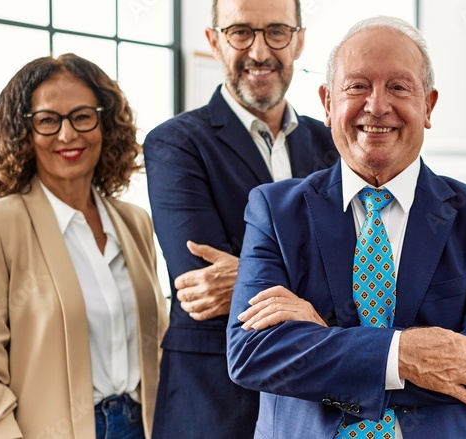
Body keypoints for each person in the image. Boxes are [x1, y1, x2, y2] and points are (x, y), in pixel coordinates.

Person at [226, 16, 466, 438]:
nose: (377, 106)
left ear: (429, 105)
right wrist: (402, 354)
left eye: (399, 87)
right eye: (357, 86)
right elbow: (251, 353)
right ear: (327, 103)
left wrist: (322, 337)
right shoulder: (274, 210)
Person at [142, 0, 336, 435]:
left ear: (299, 40)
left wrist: (248, 274)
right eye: (241, 33)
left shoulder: (332, 144)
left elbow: (361, 266)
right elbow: (203, 283)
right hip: (214, 404)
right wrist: (318, 282)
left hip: (315, 402)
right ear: (214, 41)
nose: (260, 51)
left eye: (277, 32)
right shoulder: (175, 145)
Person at [0, 53, 167, 439]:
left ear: (105, 124)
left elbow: (159, 342)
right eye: (48, 120)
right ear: (23, 133)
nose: (68, 135)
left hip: (145, 426)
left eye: (82, 116)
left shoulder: (135, 222)